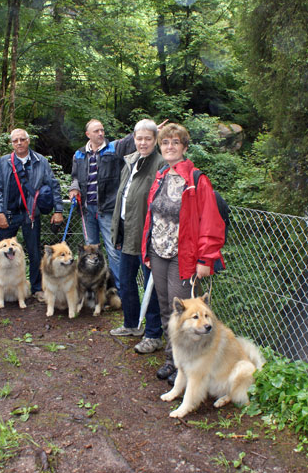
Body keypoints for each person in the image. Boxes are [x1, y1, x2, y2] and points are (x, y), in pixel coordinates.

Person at [141, 123, 226, 384]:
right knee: (168, 309)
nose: (169, 147)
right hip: (159, 252)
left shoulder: (196, 179)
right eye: (165, 143)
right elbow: (151, 217)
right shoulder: (161, 176)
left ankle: (188, 367)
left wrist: (205, 258)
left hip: (184, 256)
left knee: (185, 314)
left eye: (175, 143)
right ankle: (172, 360)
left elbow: (211, 221)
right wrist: (147, 249)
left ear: (184, 147)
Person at [0, 128, 64, 304]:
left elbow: (54, 185)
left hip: (31, 215)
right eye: (15, 141)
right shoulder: (4, 162)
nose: (19, 143)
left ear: (28, 141)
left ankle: (36, 288)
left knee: (34, 252)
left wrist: (58, 210)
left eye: (22, 140)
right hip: (8, 214)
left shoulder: (40, 161)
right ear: (11, 143)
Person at [109, 119, 165, 352]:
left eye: (148, 138)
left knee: (151, 287)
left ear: (155, 140)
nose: (143, 142)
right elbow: (124, 197)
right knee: (126, 281)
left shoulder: (161, 164)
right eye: (139, 138)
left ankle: (153, 334)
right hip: (127, 230)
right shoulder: (130, 162)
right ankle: (131, 324)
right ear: (134, 139)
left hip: (147, 235)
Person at [68, 119, 135, 289]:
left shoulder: (113, 148)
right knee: (90, 251)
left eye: (102, 130)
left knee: (113, 251)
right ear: (88, 134)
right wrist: (74, 189)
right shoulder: (79, 154)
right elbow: (75, 176)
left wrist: (146, 131)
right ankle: (95, 290)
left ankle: (121, 291)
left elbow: (130, 140)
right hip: (86, 210)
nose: (100, 133)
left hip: (108, 209)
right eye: (96, 131)